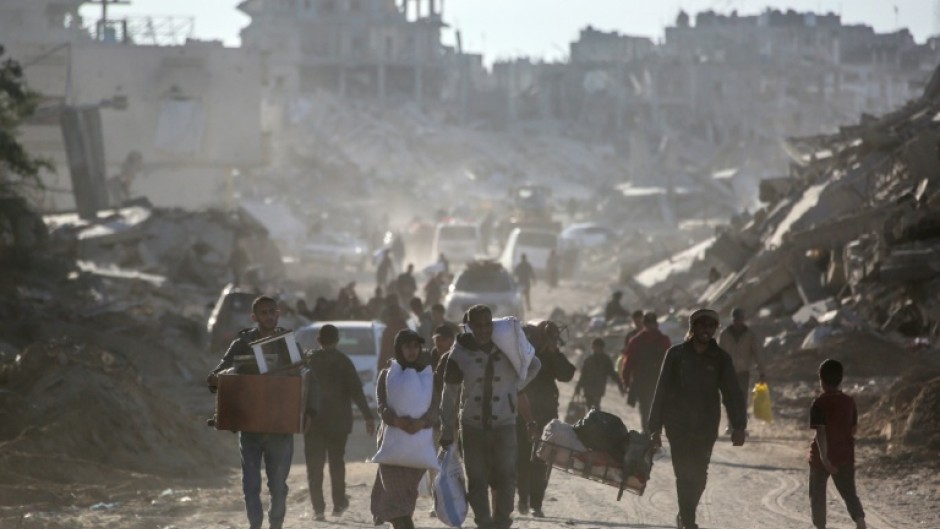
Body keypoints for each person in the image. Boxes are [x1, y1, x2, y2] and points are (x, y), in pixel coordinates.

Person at [206, 296, 318, 529]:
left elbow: (307, 379)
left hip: (280, 426)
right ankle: (255, 526)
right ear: (254, 317)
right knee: (251, 486)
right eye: (263, 313)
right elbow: (220, 372)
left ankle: (275, 525)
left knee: (277, 486)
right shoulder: (242, 343)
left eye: (272, 312)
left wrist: (310, 413)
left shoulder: (287, 343)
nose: (268, 316)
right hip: (250, 427)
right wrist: (216, 378)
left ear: (278, 314)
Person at [440, 305, 541, 529]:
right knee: (477, 480)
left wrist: (512, 387)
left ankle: (502, 523)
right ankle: (483, 523)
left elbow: (534, 364)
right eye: (478, 325)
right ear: (470, 327)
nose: (484, 330)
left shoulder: (508, 347)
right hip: (472, 425)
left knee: (506, 476)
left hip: (504, 424)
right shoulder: (459, 353)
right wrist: (447, 429)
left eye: (488, 324)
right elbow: (450, 394)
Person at [648, 308, 747, 529]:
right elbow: (661, 390)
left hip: (706, 425)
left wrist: (739, 425)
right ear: (693, 327)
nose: (707, 330)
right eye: (703, 325)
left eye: (712, 326)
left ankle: (685, 514)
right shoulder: (675, 355)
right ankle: (689, 521)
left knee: (700, 476)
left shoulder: (721, 358)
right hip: (678, 425)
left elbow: (732, 393)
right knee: (684, 474)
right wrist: (654, 427)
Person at [303, 324, 376, 521]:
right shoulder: (344, 362)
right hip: (338, 423)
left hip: (313, 422)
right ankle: (338, 503)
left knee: (314, 466)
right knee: (337, 463)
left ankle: (318, 509)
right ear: (337, 340)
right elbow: (357, 392)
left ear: (318, 340)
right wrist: (369, 417)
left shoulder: (309, 360)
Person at [371, 330, 440, 529]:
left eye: (415, 346)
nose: (412, 351)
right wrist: (396, 421)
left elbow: (435, 408)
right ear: (399, 349)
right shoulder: (387, 375)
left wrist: (422, 423)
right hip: (392, 447)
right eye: (407, 346)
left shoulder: (428, 376)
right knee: (393, 498)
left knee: (406, 499)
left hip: (417, 449)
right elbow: (382, 406)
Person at [517, 321, 576, 518]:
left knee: (543, 458)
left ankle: (536, 503)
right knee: (522, 457)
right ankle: (524, 498)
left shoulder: (552, 355)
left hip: (546, 414)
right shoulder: (525, 351)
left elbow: (566, 374)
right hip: (522, 412)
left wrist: (554, 352)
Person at [808, 359, 867, 529]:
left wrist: (825, 459)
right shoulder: (849, 402)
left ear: (821, 379)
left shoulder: (818, 403)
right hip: (845, 455)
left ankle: (820, 526)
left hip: (821, 459)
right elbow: (853, 429)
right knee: (849, 493)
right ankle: (860, 521)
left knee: (817, 495)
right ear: (841, 379)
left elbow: (820, 432)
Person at [621, 312, 671, 432]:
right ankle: (655, 433)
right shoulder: (664, 340)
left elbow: (628, 363)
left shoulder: (635, 341)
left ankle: (648, 434)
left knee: (645, 409)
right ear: (657, 324)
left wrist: (626, 381)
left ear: (644, 324)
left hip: (641, 380)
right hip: (659, 380)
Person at [718, 307, 766, 404]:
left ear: (743, 319)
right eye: (736, 319)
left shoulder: (749, 334)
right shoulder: (724, 334)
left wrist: (762, 372)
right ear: (732, 319)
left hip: (743, 370)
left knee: (743, 394)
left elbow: (757, 353)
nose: (738, 322)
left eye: (740, 319)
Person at [574, 338, 624, 411]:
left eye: (596, 347)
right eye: (593, 347)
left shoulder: (606, 360)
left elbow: (612, 373)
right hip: (588, 389)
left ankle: (594, 421)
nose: (594, 348)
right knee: (589, 408)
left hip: (598, 390)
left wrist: (620, 384)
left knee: (595, 408)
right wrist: (578, 387)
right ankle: (591, 421)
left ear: (601, 348)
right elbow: (583, 375)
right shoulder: (589, 360)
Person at [617, 310, 646, 377]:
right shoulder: (631, 335)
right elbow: (627, 350)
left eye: (640, 321)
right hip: (634, 367)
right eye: (636, 322)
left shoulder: (651, 334)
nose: (638, 324)